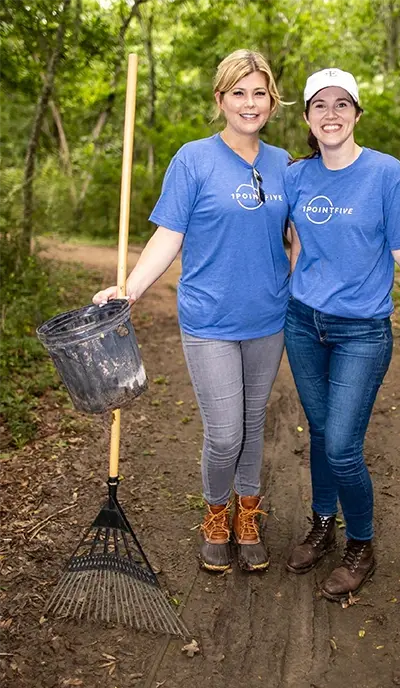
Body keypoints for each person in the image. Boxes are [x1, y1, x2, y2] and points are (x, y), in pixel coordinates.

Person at [93, 50, 291, 574]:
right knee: (225, 431)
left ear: (272, 99)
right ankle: (214, 514)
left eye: (259, 92)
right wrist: (129, 289)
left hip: (269, 317)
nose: (250, 103)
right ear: (220, 99)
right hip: (209, 319)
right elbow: (169, 235)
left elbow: (297, 237)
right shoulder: (193, 159)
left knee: (252, 423)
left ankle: (248, 514)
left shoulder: (284, 163)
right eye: (238, 92)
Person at [284, 68, 400, 601]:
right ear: (309, 119)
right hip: (302, 323)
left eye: (342, 104)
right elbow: (271, 237)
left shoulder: (386, 173)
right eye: (320, 105)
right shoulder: (295, 176)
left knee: (341, 445)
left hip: (362, 329)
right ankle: (323, 523)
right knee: (319, 433)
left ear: (357, 114)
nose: (331, 113)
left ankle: (361, 541)